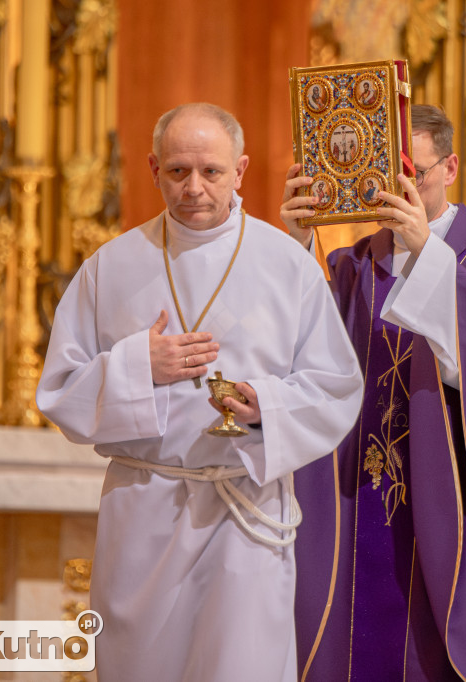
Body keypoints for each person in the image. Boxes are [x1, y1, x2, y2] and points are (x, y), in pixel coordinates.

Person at [36, 103, 364, 682]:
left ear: (239, 170)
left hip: (245, 519)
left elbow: (336, 386)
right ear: (152, 169)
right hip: (144, 518)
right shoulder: (109, 268)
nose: (193, 188)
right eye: (177, 171)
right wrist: (141, 367)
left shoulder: (288, 263)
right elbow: (60, 391)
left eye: (210, 172)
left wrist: (268, 407)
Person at [281, 104, 466, 680]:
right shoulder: (356, 265)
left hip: (443, 503)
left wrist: (428, 257)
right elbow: (306, 352)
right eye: (388, 180)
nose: (399, 192)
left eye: (415, 175)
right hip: (359, 501)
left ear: (449, 167)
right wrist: (299, 243)